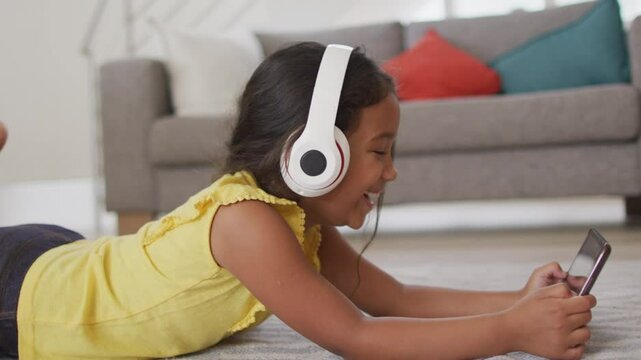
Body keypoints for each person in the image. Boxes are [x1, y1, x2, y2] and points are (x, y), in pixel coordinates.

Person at [0, 42, 596, 359]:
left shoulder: (296, 221)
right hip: (29, 299)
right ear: (315, 157)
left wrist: (516, 300)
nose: (392, 172)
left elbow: (395, 298)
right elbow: (358, 339)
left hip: (69, 258)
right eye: (380, 151)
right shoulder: (248, 223)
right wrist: (509, 333)